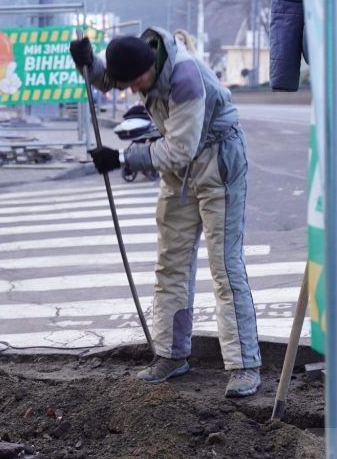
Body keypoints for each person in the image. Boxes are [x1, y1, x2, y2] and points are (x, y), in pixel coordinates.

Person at [69, 28, 262, 398]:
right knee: (170, 263)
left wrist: (123, 157)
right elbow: (109, 79)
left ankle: (244, 366)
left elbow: (179, 150)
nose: (131, 90)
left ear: (149, 69)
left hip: (217, 161)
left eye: (135, 84)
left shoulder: (185, 78)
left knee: (225, 266)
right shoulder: (141, 58)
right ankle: (172, 355)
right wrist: (88, 63)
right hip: (181, 169)